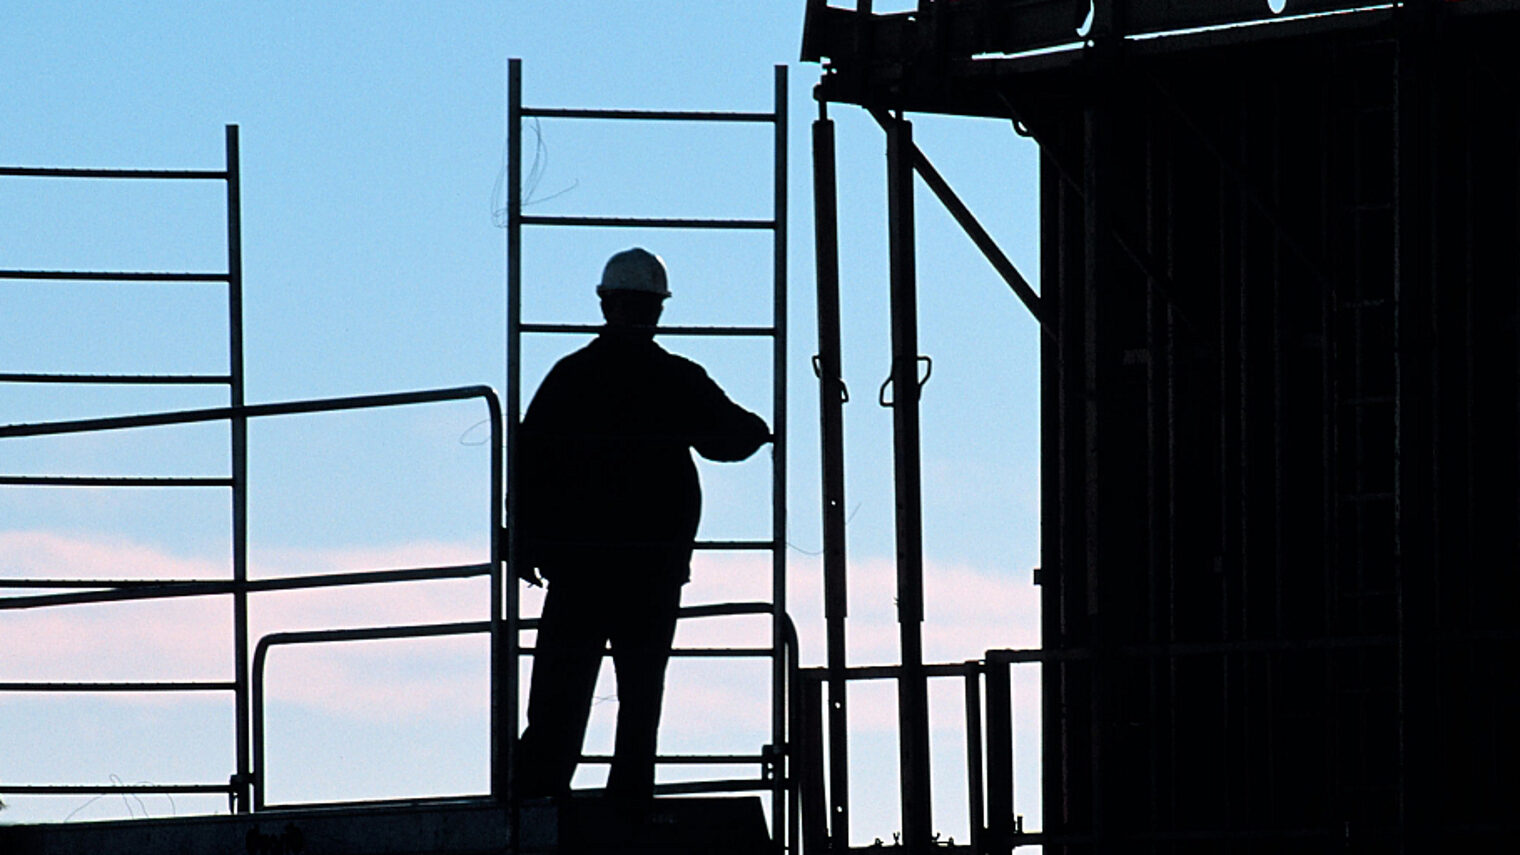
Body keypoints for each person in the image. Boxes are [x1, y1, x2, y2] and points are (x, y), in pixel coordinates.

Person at [513, 247, 771, 806]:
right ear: (657, 310)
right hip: (648, 566)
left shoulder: (572, 377)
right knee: (639, 693)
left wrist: (525, 541)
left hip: (582, 566)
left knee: (561, 690)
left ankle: (535, 798)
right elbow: (729, 437)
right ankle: (626, 801)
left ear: (606, 304)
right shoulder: (673, 379)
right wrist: (759, 429)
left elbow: (530, 462)